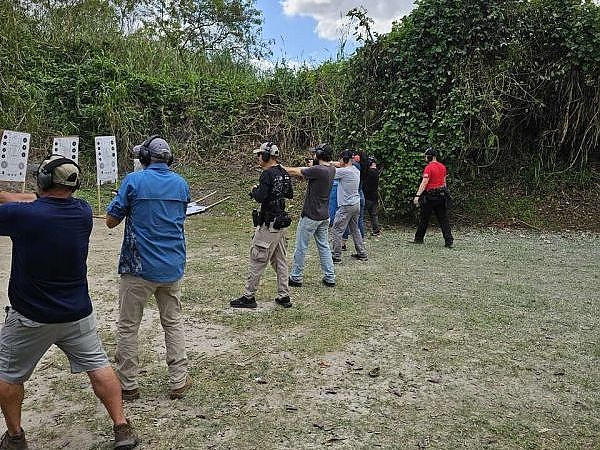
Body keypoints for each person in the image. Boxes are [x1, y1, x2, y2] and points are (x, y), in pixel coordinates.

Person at [0, 155, 138, 450]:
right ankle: (122, 426)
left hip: (30, 317)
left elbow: (24, 206)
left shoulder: (25, 216)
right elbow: (29, 202)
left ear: (46, 181)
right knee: (99, 367)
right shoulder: (83, 211)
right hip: (77, 313)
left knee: (6, 376)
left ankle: (14, 437)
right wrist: (6, 196)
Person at [106, 135, 192, 402]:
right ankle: (179, 380)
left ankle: (128, 385)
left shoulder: (134, 181)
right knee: (173, 322)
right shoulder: (181, 184)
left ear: (144, 158)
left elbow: (110, 221)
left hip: (138, 267)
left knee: (128, 326)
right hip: (172, 266)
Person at [231, 142, 294, 309]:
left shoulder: (267, 174)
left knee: (257, 258)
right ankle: (284, 295)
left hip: (269, 224)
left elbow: (260, 196)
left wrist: (254, 190)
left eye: (259, 154)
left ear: (266, 156)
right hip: (281, 224)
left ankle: (248, 296)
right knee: (280, 261)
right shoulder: (283, 172)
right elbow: (289, 193)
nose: (258, 158)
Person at [284, 143, 336, 288]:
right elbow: (327, 165)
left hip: (311, 216)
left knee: (301, 246)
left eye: (315, 154)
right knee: (324, 246)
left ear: (319, 155)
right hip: (324, 216)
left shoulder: (318, 170)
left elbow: (296, 172)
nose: (313, 155)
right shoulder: (331, 169)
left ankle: (296, 277)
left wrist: (279, 168)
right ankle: (330, 276)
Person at [330, 150, 368, 263]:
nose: (339, 161)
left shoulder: (344, 171)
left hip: (346, 205)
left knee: (337, 229)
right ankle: (362, 253)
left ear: (345, 160)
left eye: (341, 159)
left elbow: (329, 173)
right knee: (355, 229)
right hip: (356, 204)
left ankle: (336, 256)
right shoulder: (356, 169)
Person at [413, 147, 454, 248]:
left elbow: (424, 182)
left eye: (426, 156)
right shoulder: (443, 167)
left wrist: (417, 195)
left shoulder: (429, 168)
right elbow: (444, 183)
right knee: (443, 219)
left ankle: (418, 238)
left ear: (430, 156)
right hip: (441, 195)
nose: (425, 158)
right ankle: (449, 241)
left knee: (424, 218)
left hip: (430, 196)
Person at [363, 156, 382, 236]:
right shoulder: (376, 172)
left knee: (361, 215)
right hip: (374, 196)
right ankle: (376, 231)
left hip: (367, 196)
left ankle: (360, 230)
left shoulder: (369, 172)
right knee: (373, 215)